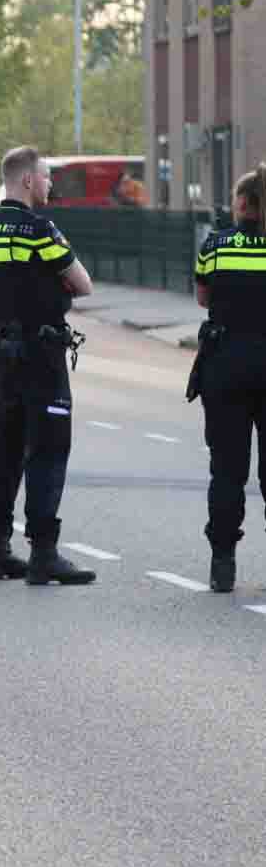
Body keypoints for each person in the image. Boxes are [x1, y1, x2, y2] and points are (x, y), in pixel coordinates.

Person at [0, 145, 97, 585]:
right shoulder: (39, 229)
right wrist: (55, 283)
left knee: (6, 447)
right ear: (27, 180)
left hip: (6, 357)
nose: (49, 185)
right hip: (43, 355)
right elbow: (82, 285)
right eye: (46, 177)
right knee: (47, 450)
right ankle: (44, 554)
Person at [189, 162, 266, 592]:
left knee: (227, 471)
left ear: (240, 204)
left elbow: (203, 297)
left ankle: (223, 563)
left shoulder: (215, 245)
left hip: (225, 365)